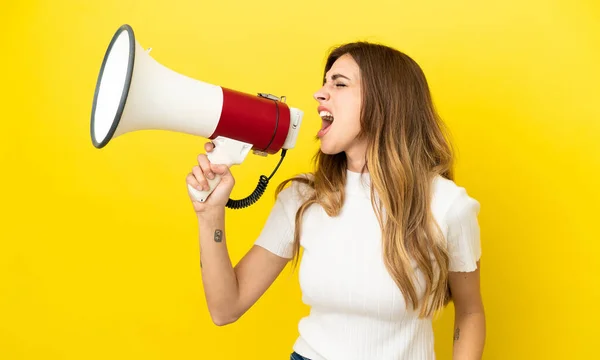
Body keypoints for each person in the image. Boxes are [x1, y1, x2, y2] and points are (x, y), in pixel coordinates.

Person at [185, 42, 486, 360]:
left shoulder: (448, 206)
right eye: (325, 81)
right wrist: (210, 213)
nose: (319, 93)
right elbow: (225, 308)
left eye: (339, 83)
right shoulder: (304, 198)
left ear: (385, 102)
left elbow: (470, 314)